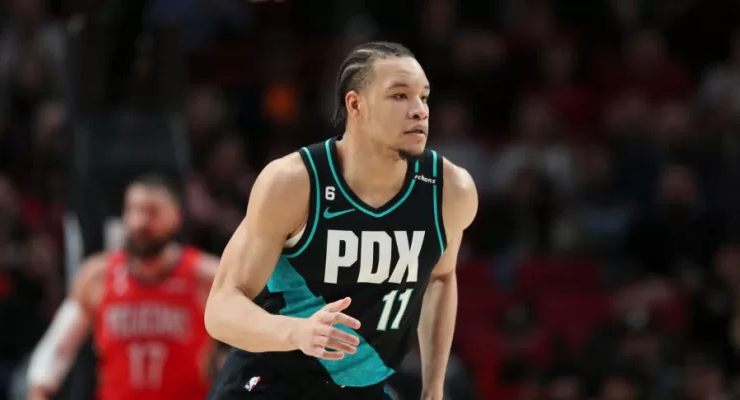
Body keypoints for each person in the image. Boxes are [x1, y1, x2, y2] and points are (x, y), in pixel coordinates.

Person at [205, 41, 479, 400]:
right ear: (355, 105)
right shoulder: (294, 182)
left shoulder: (450, 190)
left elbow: (441, 279)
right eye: (399, 96)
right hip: (270, 381)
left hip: (361, 387)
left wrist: (433, 388)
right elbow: (221, 309)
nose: (419, 111)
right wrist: (297, 332)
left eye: (423, 97)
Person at [26, 174, 220, 400]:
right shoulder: (98, 276)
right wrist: (39, 390)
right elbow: (56, 350)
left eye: (152, 212)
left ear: (176, 217)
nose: (141, 222)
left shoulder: (205, 276)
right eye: (134, 210)